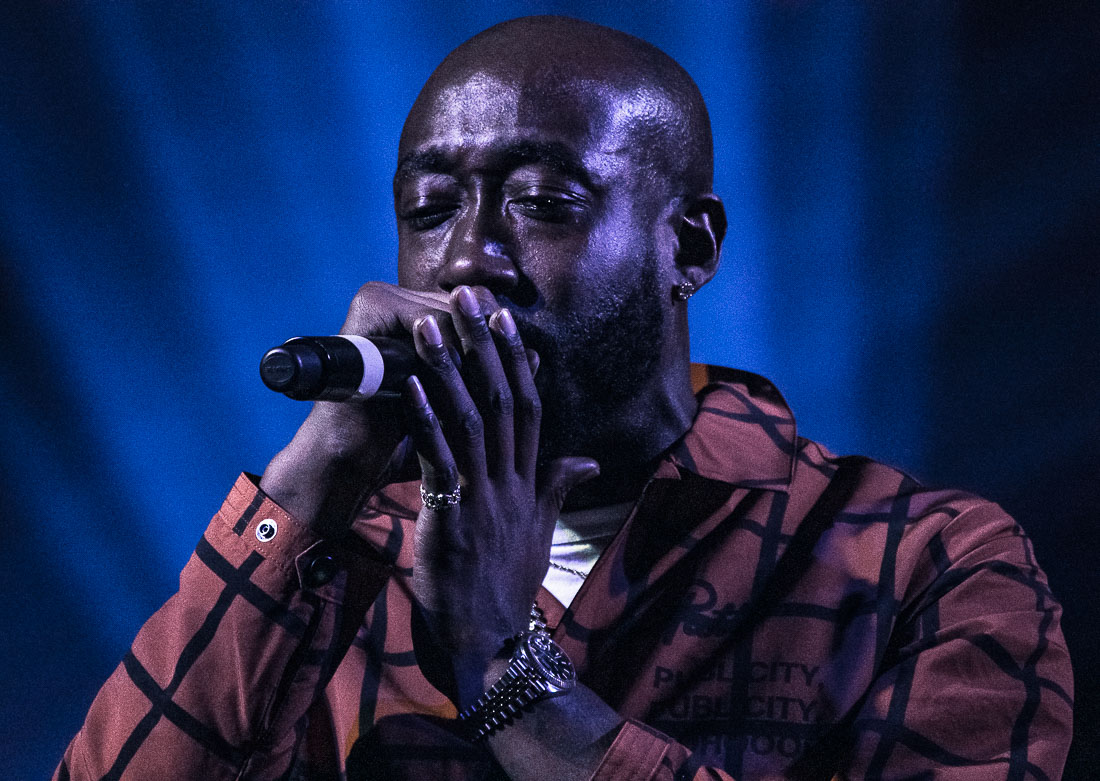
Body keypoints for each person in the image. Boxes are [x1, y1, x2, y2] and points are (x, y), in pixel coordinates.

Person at [54, 16, 1072, 781]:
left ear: (689, 246)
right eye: (429, 208)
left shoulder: (927, 562)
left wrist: (506, 665)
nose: (466, 258)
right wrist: (315, 475)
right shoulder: (339, 553)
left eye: (542, 203)